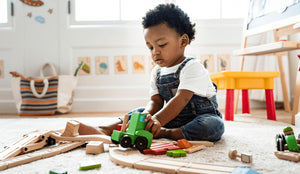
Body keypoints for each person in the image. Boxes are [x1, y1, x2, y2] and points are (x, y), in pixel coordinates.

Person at [77, 3, 224, 142]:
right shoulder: (157, 72)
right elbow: (156, 102)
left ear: (183, 41)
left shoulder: (192, 66)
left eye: (161, 45)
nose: (155, 52)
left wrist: (158, 121)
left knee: (211, 126)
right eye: (150, 47)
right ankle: (104, 129)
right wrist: (147, 115)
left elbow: (182, 99)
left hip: (198, 118)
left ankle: (166, 133)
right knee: (139, 112)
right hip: (170, 118)